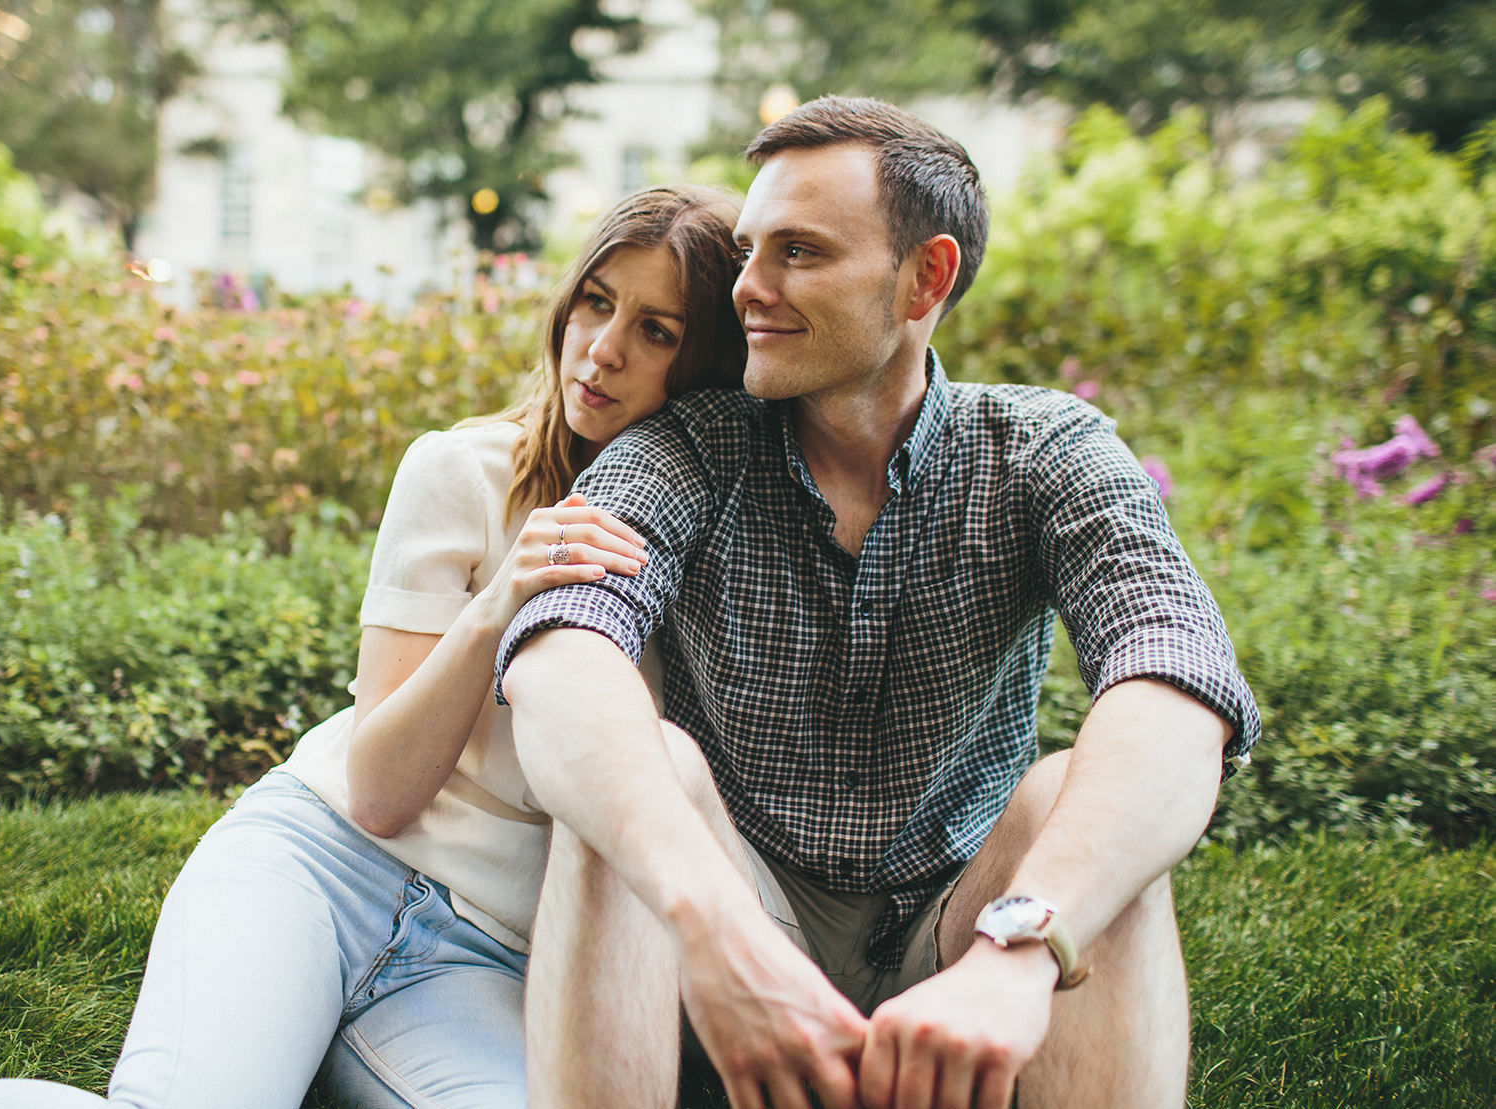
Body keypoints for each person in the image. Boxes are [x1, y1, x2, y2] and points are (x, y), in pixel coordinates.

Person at [0, 184, 748, 1109]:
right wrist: (496, 605)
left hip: (480, 960)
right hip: (317, 868)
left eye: (655, 330)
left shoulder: (711, 559)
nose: (602, 348)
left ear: (705, 364)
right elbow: (380, 793)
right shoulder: (457, 472)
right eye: (594, 302)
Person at [497, 97, 1262, 1109]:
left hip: (959, 924)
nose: (748, 286)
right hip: (741, 907)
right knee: (645, 775)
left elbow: (1175, 677)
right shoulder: (688, 447)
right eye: (748, 251)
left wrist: (1022, 943)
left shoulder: (1043, 450)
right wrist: (714, 926)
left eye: (799, 252)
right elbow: (562, 653)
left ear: (925, 278)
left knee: (1072, 797)